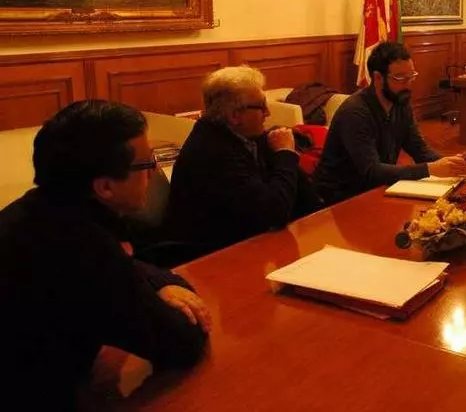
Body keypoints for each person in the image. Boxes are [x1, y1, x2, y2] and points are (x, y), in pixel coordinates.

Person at [0, 101, 210, 410]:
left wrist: (156, 282)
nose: (154, 171)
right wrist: (172, 283)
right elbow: (182, 341)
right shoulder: (82, 248)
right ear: (105, 187)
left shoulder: (35, 210)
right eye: (147, 163)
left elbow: (127, 265)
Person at [164, 66, 322, 257]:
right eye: (262, 107)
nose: (268, 113)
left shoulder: (244, 136)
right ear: (235, 115)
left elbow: (308, 199)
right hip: (212, 256)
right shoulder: (213, 152)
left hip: (249, 242)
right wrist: (285, 154)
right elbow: (274, 213)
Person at [313, 41, 466, 205]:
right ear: (378, 78)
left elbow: (419, 150)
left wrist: (452, 164)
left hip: (375, 188)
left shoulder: (400, 102)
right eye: (400, 78)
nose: (408, 84)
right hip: (339, 198)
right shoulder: (355, 113)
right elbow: (371, 171)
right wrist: (430, 169)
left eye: (411, 76)